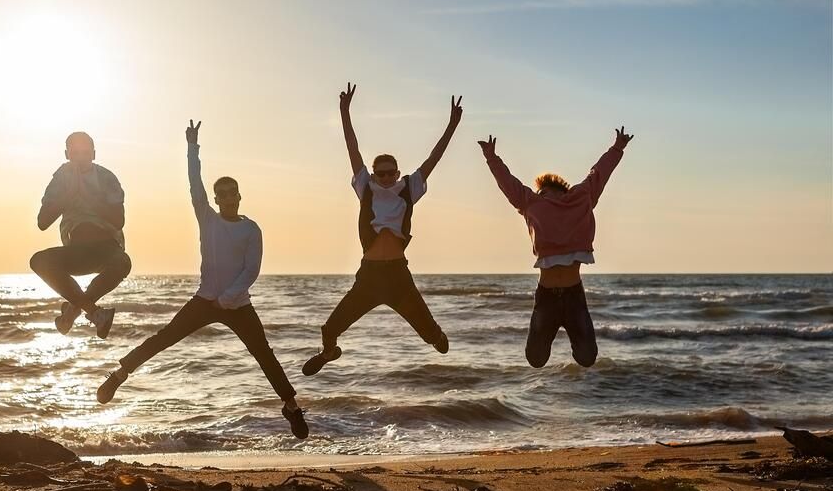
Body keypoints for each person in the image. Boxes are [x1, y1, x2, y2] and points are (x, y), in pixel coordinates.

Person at [96, 120, 309, 439]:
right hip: (204, 300)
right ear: (216, 199)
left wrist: (227, 298)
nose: (227, 197)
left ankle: (291, 406)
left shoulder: (251, 229)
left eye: (231, 193)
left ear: (239, 196)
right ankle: (120, 373)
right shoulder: (207, 218)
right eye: (221, 194)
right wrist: (192, 147)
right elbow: (194, 184)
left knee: (264, 353)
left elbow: (251, 270)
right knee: (164, 337)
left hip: (238, 305)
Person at [302, 83, 462, 376]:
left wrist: (452, 125)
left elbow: (433, 159)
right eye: (381, 173)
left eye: (391, 173)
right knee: (329, 329)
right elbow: (352, 148)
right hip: (369, 277)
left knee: (433, 338)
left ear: (398, 173)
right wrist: (344, 111)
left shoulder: (409, 188)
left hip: (398, 276)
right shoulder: (366, 187)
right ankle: (329, 352)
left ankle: (435, 334)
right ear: (374, 174)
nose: (387, 177)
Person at [477, 126, 634, 368]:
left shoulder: (581, 197)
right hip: (547, 296)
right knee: (536, 359)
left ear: (561, 192)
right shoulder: (531, 203)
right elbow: (508, 184)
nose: (539, 195)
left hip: (573, 296)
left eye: (542, 192)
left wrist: (617, 148)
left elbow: (600, 173)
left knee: (587, 358)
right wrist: (491, 157)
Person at [30, 131, 130, 339]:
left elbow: (118, 220)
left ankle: (71, 313)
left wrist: (87, 195)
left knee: (123, 263)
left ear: (94, 154)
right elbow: (42, 222)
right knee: (39, 261)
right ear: (67, 154)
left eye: (85, 153)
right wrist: (69, 195)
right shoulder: (61, 178)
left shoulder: (106, 177)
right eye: (75, 153)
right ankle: (94, 312)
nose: (81, 158)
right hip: (77, 251)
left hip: (106, 248)